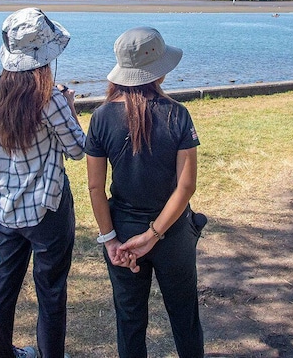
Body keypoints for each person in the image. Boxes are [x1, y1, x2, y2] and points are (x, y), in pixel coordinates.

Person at [85, 27, 205, 358]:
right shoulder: (177, 114)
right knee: (185, 318)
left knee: (130, 321)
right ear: (158, 70)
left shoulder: (100, 117)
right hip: (174, 232)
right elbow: (186, 185)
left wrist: (109, 239)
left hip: (122, 231)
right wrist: (155, 234)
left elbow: (95, 187)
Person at [0, 8, 85, 358]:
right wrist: (70, 107)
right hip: (47, 208)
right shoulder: (50, 98)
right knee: (51, 291)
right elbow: (77, 149)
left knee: (4, 285)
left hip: (5, 206)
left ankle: (2, 353)